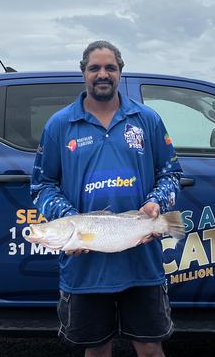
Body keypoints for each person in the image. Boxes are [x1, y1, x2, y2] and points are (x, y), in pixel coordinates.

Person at [30, 40, 183, 357]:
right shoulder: (60, 125)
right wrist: (73, 220)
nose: (103, 74)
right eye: (94, 68)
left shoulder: (146, 120)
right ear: (83, 73)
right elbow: (42, 185)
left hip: (141, 261)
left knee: (151, 347)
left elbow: (170, 173)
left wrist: (157, 203)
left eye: (110, 68)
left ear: (120, 72)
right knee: (97, 350)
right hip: (85, 270)